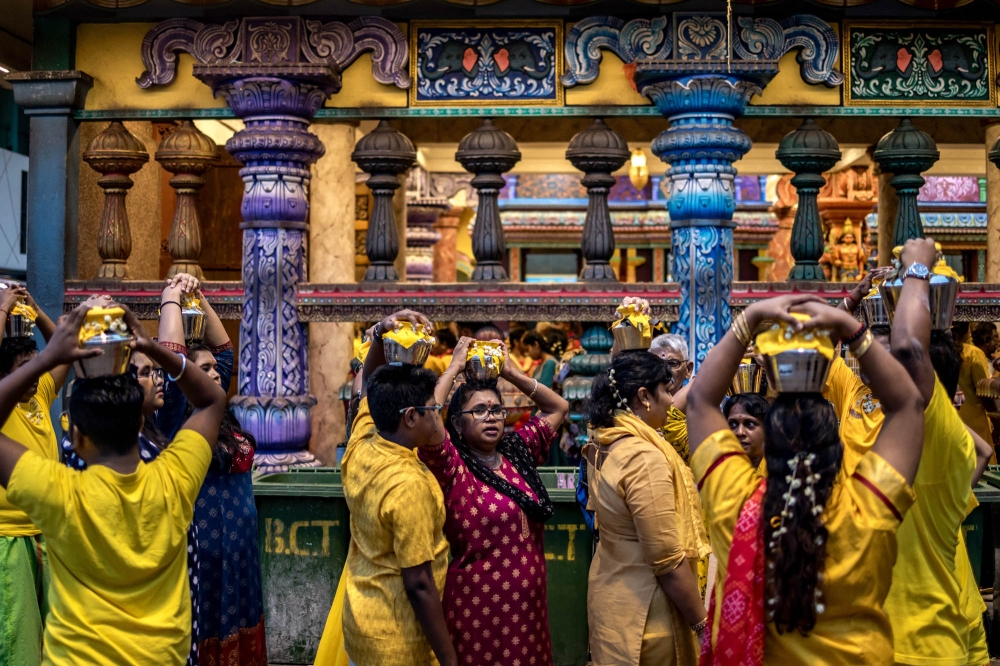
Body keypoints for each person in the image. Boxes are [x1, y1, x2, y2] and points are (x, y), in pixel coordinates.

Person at [688, 291, 925, 664]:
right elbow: (909, 405)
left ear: (770, 444)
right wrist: (849, 327)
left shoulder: (733, 502)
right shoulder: (867, 508)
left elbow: (700, 400)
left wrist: (749, 319)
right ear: (837, 443)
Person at [0, 304, 228, 664]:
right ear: (140, 425)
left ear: (75, 437)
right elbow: (212, 400)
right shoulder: (175, 479)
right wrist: (153, 348)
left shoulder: (59, 493)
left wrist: (47, 359)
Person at [419, 337, 569, 666]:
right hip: (477, 615)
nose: (491, 417)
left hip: (529, 615)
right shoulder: (452, 465)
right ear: (456, 423)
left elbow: (558, 408)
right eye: (479, 411)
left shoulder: (517, 452)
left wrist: (511, 372)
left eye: (497, 410)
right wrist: (455, 366)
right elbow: (428, 419)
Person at [153, 274, 266, 666]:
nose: (214, 372)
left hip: (241, 554)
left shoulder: (225, 418)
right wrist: (170, 296)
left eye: (215, 369)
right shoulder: (177, 423)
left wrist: (198, 296)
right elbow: (170, 356)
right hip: (205, 554)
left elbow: (224, 350)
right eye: (202, 369)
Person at [340, 309, 457, 666]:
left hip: (360, 623)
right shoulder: (410, 484)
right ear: (410, 417)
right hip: (398, 640)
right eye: (432, 409)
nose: (437, 415)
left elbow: (366, 389)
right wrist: (450, 660)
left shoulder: (361, 443)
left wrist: (379, 335)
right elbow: (419, 584)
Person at [586, 351, 710, 665]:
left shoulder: (603, 439)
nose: (671, 401)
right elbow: (667, 561)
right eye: (667, 391)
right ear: (644, 396)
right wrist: (701, 625)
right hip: (647, 613)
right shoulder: (643, 457)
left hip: (612, 596)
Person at [0, 284, 72, 665]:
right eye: (21, 369)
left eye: (35, 364)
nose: (31, 373)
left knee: (48, 645)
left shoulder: (40, 392)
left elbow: (62, 346)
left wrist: (33, 307)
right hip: (8, 539)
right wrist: (2, 311)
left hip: (44, 534)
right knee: (19, 646)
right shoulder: (4, 401)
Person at [955, 321, 995, 450]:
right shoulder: (973, 353)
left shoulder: (938, 350)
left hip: (950, 422)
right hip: (974, 424)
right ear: (968, 329)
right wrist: (997, 423)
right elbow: (984, 393)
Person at [722, 393, 768, 472]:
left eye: (749, 424)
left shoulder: (783, 473)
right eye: (732, 424)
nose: (740, 432)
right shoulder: (714, 472)